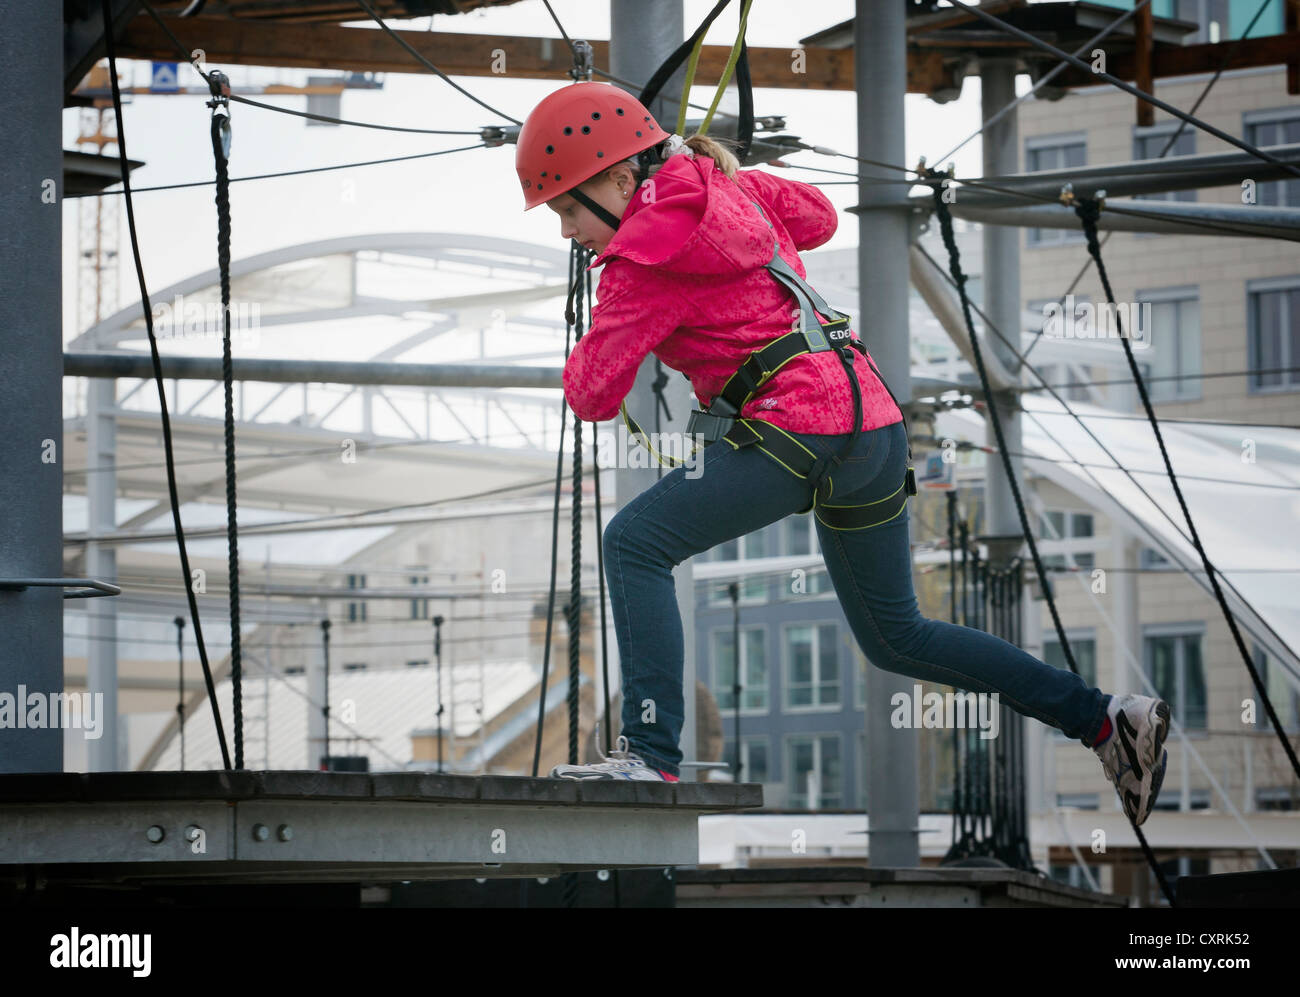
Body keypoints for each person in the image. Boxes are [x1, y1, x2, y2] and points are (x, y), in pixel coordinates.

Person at [515, 81, 1170, 826]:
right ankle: (1105, 717)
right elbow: (820, 218)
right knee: (899, 636)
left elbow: (593, 393)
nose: (569, 231)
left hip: (791, 428)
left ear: (621, 180)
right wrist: (729, 177)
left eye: (569, 207)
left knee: (634, 543)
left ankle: (651, 754)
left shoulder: (642, 262)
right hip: (871, 421)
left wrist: (600, 310)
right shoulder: (734, 189)